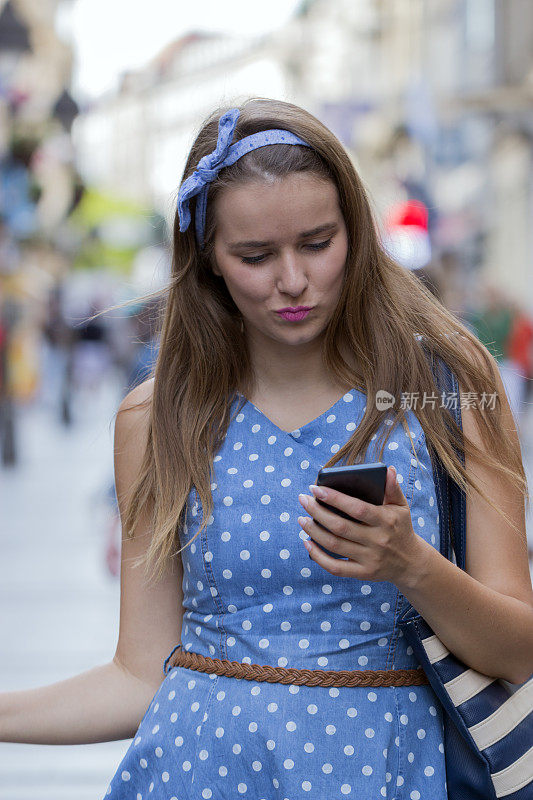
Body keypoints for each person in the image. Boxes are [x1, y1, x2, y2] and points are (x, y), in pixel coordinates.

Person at [1, 98, 532, 799]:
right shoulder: (157, 415)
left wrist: (411, 565)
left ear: (357, 234)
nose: (291, 281)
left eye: (317, 243)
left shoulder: (450, 383)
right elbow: (139, 675)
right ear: (209, 259)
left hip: (385, 772)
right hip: (198, 772)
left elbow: (517, 650)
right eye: (253, 255)